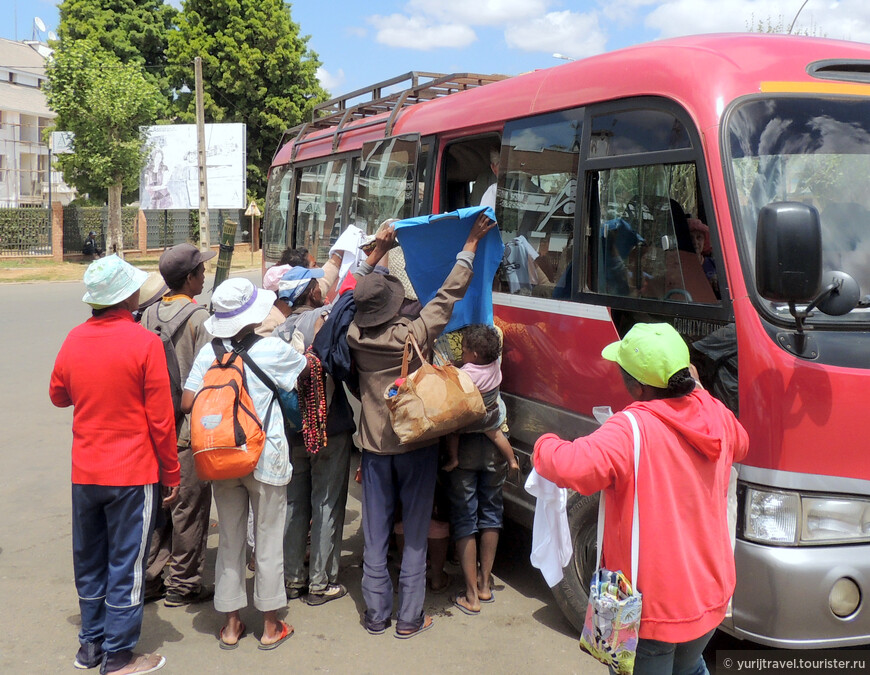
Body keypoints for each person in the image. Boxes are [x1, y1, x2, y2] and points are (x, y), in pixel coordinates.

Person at [534, 323, 748, 675]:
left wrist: (543, 445)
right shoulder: (717, 417)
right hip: (710, 594)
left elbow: (572, 465)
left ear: (636, 385)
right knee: (690, 665)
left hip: (650, 609)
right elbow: (741, 444)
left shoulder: (629, 428)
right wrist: (701, 393)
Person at [347, 213, 495, 638]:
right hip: (415, 446)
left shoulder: (354, 333)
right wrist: (469, 243)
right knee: (414, 534)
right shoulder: (412, 332)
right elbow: (450, 293)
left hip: (374, 449)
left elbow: (350, 297)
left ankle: (376, 615)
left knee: (375, 535)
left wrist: (374, 253)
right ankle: (410, 618)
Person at [49, 255, 180, 674]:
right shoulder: (144, 343)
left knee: (89, 559)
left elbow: (58, 395)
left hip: (85, 471)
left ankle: (90, 646)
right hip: (133, 473)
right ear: (126, 296)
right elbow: (161, 420)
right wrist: (172, 473)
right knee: (127, 563)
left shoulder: (73, 339)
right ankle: (119, 655)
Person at [181, 278, 307, 650]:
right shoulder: (272, 349)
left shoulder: (210, 352)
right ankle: (270, 627)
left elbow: (188, 401)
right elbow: (303, 373)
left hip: (222, 457)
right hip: (264, 456)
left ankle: (232, 625)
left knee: (232, 539)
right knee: (267, 540)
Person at [141, 243, 216, 607]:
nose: (205, 275)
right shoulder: (200, 319)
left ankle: (151, 577)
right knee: (189, 506)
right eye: (201, 271)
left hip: (153, 427)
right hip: (187, 427)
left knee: (159, 506)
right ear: (189, 278)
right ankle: (184, 583)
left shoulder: (147, 313)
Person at [275, 266, 356, 606]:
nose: (323, 287)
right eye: (317, 283)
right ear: (310, 292)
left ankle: (293, 579)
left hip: (291, 428)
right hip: (328, 428)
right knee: (326, 502)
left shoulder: (277, 331)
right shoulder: (325, 316)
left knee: (294, 505)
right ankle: (321, 582)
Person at [443, 324, 517, 473]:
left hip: (474, 419)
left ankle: (453, 459)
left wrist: (451, 369)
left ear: (474, 355)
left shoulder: (467, 374)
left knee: (453, 433)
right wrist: (459, 364)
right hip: (492, 414)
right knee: (498, 436)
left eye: (464, 352)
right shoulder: (495, 363)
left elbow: (458, 382)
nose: (462, 356)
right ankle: (512, 461)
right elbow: (474, 367)